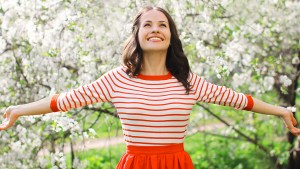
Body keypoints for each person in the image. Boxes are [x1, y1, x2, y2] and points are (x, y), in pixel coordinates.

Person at [0, 6, 299, 169]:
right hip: (134, 164)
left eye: (162, 25)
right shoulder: (117, 79)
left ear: (171, 37)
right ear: (138, 35)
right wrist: (18, 111)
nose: (155, 29)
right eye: (148, 25)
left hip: (177, 163)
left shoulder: (187, 82)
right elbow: (64, 100)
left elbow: (238, 100)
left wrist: (281, 111)